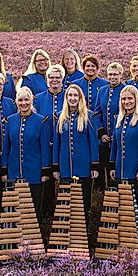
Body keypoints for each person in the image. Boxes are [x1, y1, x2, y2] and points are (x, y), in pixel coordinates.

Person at [108, 85, 138, 241]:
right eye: (124, 99)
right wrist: (112, 165)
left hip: (136, 170)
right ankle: (126, 239)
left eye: (130, 98)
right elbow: (115, 145)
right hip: (121, 169)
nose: (127, 102)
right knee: (124, 207)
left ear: (136, 100)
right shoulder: (118, 119)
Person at [5, 86, 54, 216]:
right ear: (16, 102)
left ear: (31, 101)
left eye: (26, 100)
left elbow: (45, 148)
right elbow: (6, 148)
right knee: (15, 209)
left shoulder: (41, 121)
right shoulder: (9, 120)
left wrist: (45, 171)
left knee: (34, 209)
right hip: (14, 170)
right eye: (20, 100)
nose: (24, 103)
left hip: (35, 172)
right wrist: (4, 170)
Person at [53, 84, 100, 217]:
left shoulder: (89, 116)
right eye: (70, 95)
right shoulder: (59, 117)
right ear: (66, 98)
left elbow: (93, 143)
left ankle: (83, 233)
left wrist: (94, 166)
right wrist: (56, 167)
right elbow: (57, 144)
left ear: (80, 98)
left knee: (83, 205)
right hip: (65, 168)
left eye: (75, 95)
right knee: (66, 205)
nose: (72, 98)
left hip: (84, 168)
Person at [96, 62, 125, 181]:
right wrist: (101, 133)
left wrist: (117, 132)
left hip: (119, 138)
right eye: (110, 74)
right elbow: (97, 114)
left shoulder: (125, 90)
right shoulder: (102, 91)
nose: (112, 77)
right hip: (104, 140)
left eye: (115, 74)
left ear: (121, 75)